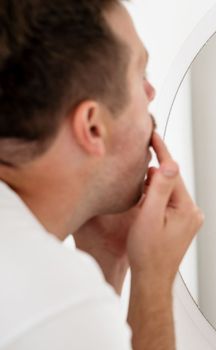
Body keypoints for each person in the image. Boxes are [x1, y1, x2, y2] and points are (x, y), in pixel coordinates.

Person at [0, 1, 203, 349]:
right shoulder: (50, 299)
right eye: (141, 75)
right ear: (93, 128)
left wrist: (108, 256)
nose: (151, 92)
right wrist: (152, 282)